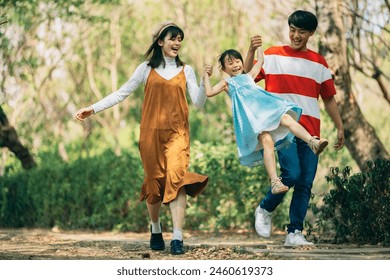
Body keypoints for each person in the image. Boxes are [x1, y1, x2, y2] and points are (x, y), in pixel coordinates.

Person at [74, 22, 209, 255]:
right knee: (154, 184)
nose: (177, 43)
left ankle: (177, 237)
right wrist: (93, 108)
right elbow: (122, 93)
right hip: (150, 135)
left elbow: (198, 101)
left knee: (177, 179)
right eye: (172, 39)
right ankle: (155, 227)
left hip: (178, 135)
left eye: (179, 39)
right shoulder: (146, 69)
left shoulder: (186, 70)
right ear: (160, 42)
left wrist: (206, 79)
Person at [244, 10, 345, 246]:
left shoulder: (319, 62)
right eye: (292, 29)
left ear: (310, 33)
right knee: (292, 174)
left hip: (311, 131)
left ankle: (294, 232)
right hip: (282, 128)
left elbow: (329, 98)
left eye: (301, 31)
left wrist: (340, 127)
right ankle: (265, 208)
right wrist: (250, 50)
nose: (295, 35)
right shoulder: (271, 55)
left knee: (305, 182)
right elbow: (246, 76)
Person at [203, 42, 329, 195]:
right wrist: (206, 76)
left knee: (288, 119)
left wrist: (258, 47)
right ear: (224, 69)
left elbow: (261, 61)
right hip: (252, 119)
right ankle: (275, 181)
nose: (235, 65)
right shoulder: (227, 83)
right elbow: (209, 92)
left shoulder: (249, 76)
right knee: (267, 141)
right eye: (230, 63)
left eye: (237, 61)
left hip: (267, 110)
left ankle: (312, 141)